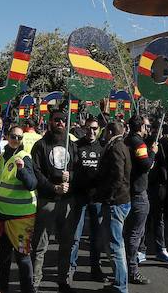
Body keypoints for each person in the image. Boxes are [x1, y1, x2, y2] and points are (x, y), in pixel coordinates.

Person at [29, 109, 76, 291]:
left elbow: (78, 167)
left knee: (66, 244)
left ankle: (63, 280)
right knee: (40, 245)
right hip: (47, 201)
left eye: (63, 120)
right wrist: (52, 187)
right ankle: (35, 282)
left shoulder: (70, 144)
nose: (61, 123)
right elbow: (37, 171)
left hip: (66, 202)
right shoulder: (41, 145)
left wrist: (70, 176)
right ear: (50, 122)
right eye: (57, 120)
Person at [0, 124, 38, 293]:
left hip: (20, 218)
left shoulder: (24, 157)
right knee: (3, 258)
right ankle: (2, 289)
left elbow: (32, 184)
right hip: (2, 215)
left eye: (19, 138)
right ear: (7, 136)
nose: (16, 140)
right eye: (13, 136)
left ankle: (28, 290)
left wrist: (22, 171)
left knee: (22, 257)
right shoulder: (2, 155)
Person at [66, 116, 105, 281]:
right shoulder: (76, 146)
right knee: (75, 236)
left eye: (95, 128)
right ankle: (70, 270)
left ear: (98, 129)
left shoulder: (102, 147)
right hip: (80, 197)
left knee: (96, 237)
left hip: (96, 199)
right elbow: (71, 168)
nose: (92, 131)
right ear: (84, 128)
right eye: (89, 128)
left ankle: (95, 269)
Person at [95, 120, 131, 293]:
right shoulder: (120, 145)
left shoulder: (116, 147)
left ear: (109, 132)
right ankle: (119, 281)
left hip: (116, 202)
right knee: (115, 244)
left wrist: (109, 197)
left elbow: (118, 175)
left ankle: (120, 286)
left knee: (116, 246)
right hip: (118, 200)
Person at [122, 114, 156, 285]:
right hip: (137, 193)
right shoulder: (138, 143)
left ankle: (125, 268)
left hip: (127, 192)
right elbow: (145, 165)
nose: (147, 129)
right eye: (146, 126)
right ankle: (132, 270)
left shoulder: (126, 140)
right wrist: (152, 153)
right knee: (135, 234)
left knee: (128, 233)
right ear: (141, 127)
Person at [146, 117, 168, 264]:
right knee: (146, 218)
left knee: (159, 218)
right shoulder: (145, 142)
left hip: (161, 186)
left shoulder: (167, 143)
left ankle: (160, 248)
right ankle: (140, 249)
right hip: (147, 185)